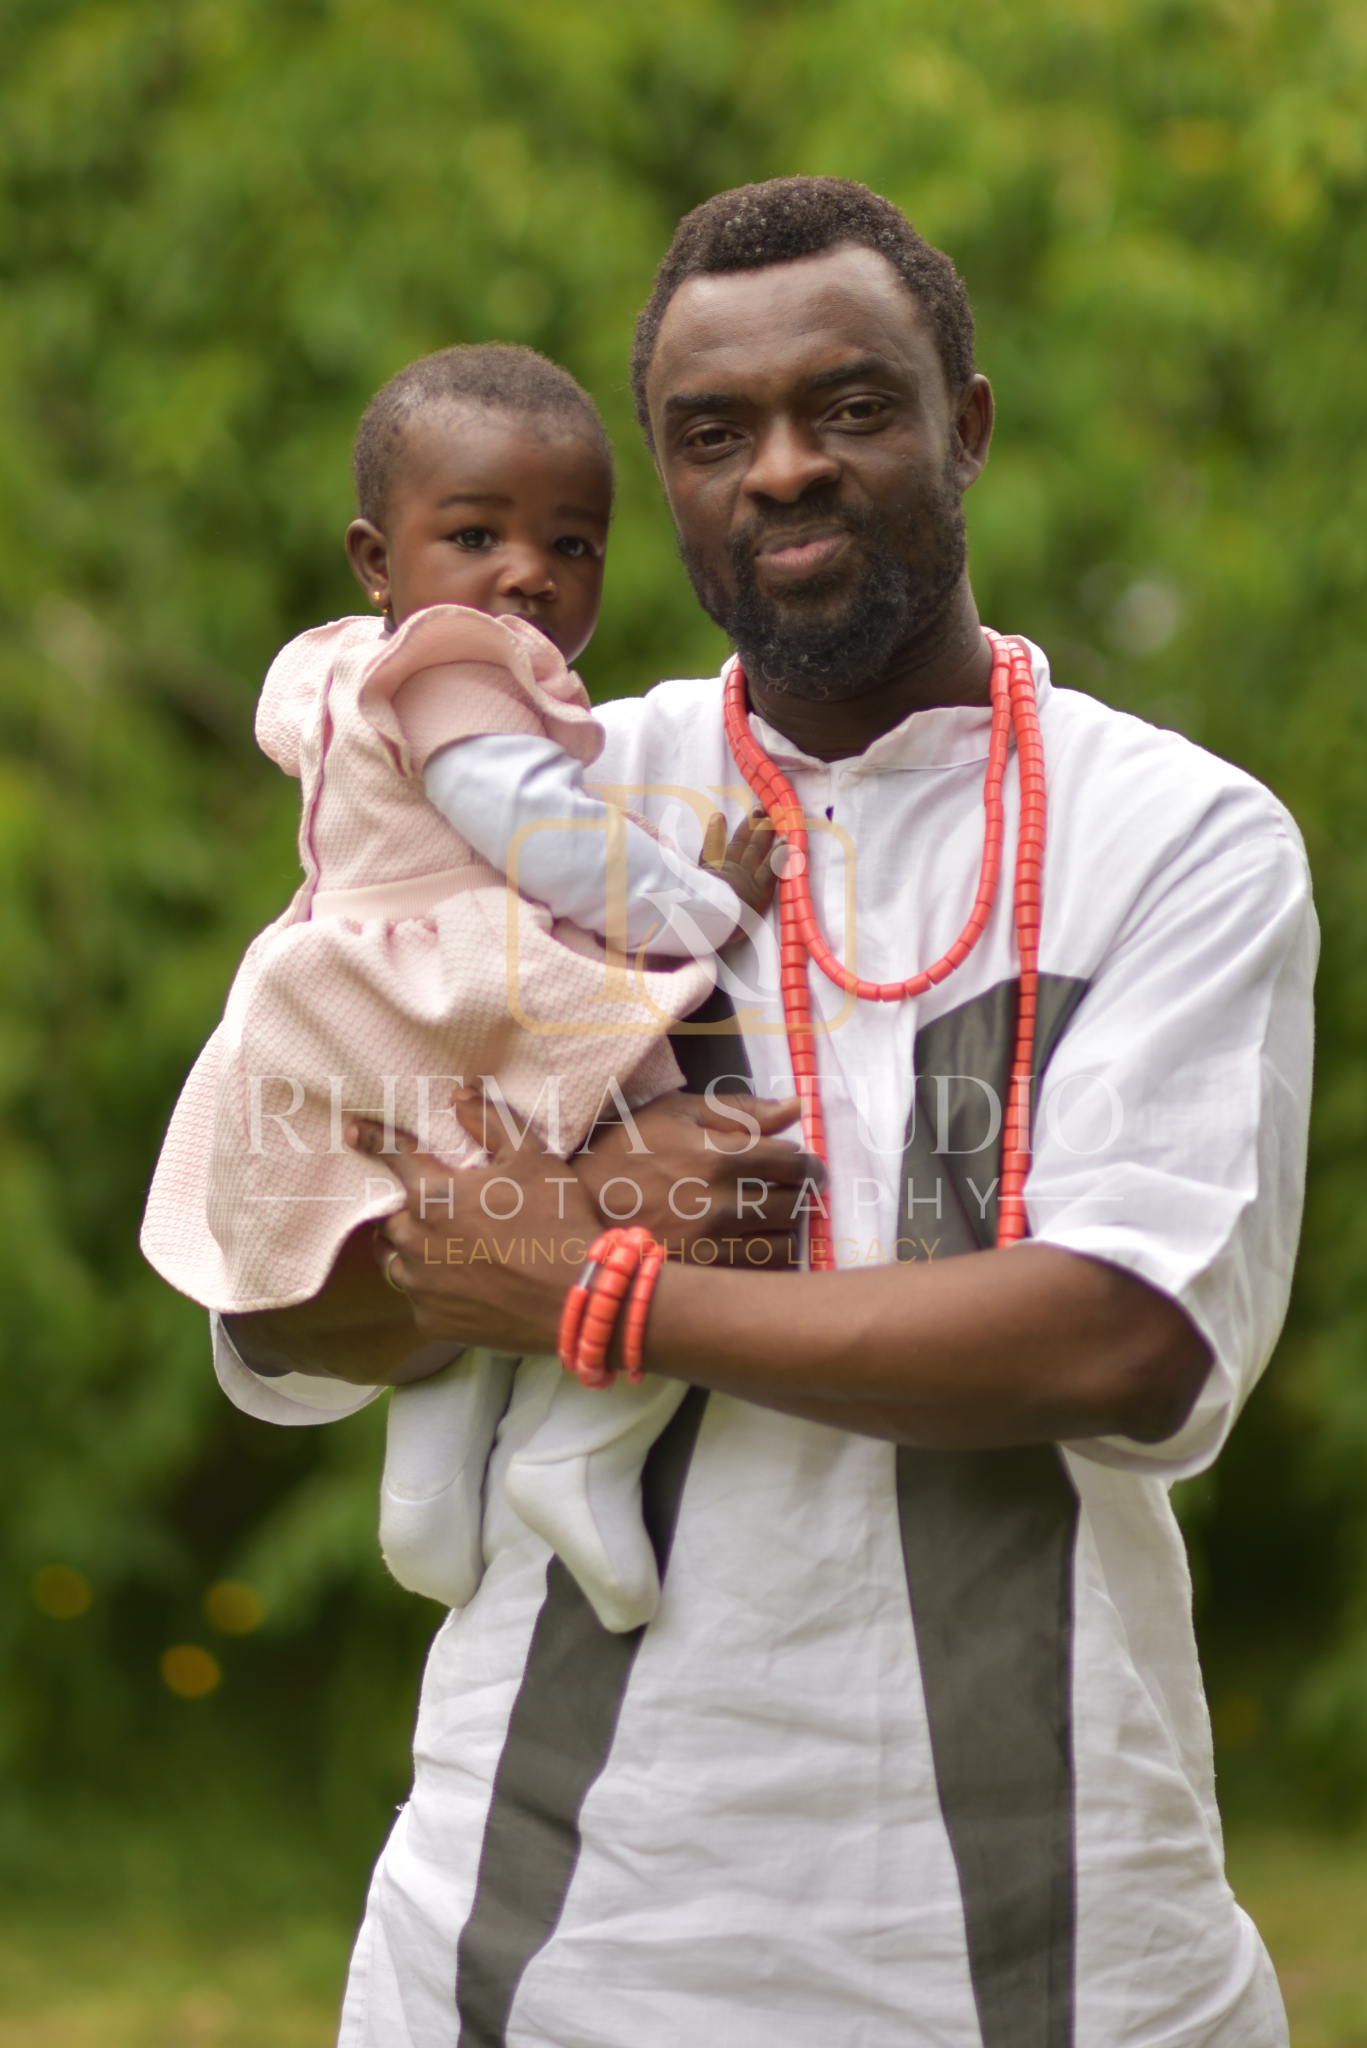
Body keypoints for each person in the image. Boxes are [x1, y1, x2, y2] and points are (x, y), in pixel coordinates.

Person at [217, 180, 1314, 2046]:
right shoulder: (541, 795)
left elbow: (1129, 1338)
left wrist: (604, 1291)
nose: (784, 468)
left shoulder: (1175, 836)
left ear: (966, 425)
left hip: (1049, 1943)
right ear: (668, 482)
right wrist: (557, 1216)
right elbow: (276, 1298)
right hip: (537, 1944)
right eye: (715, 434)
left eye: (852, 407)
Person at [141, 341, 779, 1635]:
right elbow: (550, 840)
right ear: (377, 560)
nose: (529, 571)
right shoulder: (457, 672)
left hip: (356, 1001)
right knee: (662, 1181)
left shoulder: (350, 663)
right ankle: (578, 1452)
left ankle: (429, 1502)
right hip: (455, 990)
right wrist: (710, 906)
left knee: (447, 1220)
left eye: (573, 544)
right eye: (478, 535)